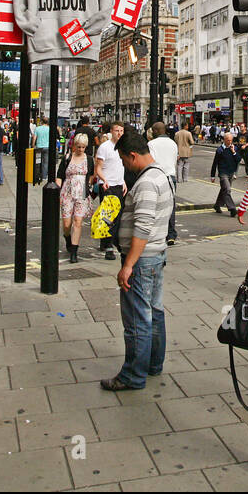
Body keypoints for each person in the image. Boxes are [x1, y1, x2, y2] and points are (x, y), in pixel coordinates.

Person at [100, 130, 176, 391]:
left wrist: (128, 265)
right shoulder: (162, 175)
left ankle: (132, 375)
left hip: (143, 261)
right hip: (156, 256)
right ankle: (153, 364)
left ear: (133, 156)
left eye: (123, 160)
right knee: (154, 313)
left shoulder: (145, 183)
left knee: (137, 319)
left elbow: (142, 228)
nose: (123, 165)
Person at [56, 133, 92, 263]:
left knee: (78, 221)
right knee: (67, 224)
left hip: (81, 193)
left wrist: (89, 187)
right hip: (67, 192)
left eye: (83, 147)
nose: (81, 149)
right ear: (74, 146)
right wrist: (58, 193)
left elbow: (91, 175)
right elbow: (59, 176)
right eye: (78, 147)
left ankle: (74, 251)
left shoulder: (89, 159)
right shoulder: (67, 158)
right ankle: (67, 237)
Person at [93, 122, 126, 260]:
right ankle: (109, 247)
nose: (119, 133)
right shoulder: (104, 148)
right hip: (107, 185)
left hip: (119, 184)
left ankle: (106, 242)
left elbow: (121, 167)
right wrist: (103, 180)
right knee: (107, 217)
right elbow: (98, 168)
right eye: (117, 130)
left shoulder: (123, 147)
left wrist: (123, 181)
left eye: (121, 130)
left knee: (117, 216)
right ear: (111, 132)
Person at [147, 121, 179, 247]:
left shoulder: (151, 144)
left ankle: (156, 233)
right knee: (170, 206)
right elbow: (175, 160)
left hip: (157, 176)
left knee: (154, 205)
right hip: (170, 176)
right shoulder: (173, 144)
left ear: (155, 131)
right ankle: (171, 235)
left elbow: (151, 161)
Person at [210, 131, 240, 215]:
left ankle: (217, 205)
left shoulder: (235, 148)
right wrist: (212, 176)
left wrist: (234, 152)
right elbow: (214, 163)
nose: (229, 142)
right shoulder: (220, 150)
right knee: (227, 189)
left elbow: (238, 160)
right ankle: (232, 209)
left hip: (231, 172)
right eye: (228, 140)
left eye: (231, 140)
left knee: (224, 190)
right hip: (223, 173)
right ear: (224, 140)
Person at [31, 115, 49, 185]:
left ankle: (37, 175)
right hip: (47, 147)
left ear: (41, 121)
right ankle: (44, 176)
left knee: (38, 162)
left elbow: (34, 138)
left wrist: (33, 145)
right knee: (45, 162)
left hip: (39, 147)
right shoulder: (49, 129)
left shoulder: (38, 128)